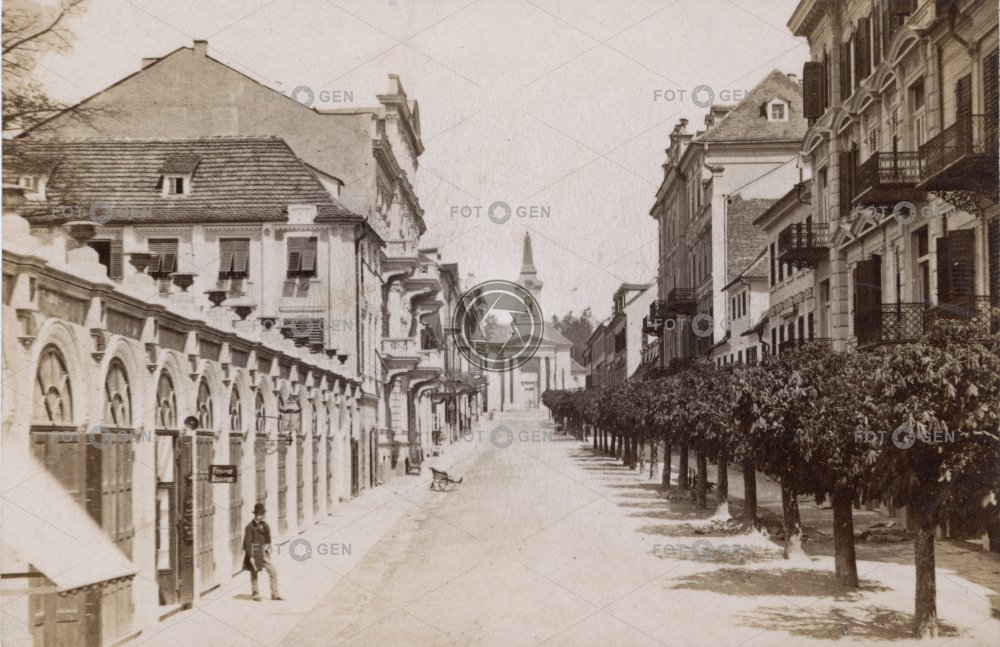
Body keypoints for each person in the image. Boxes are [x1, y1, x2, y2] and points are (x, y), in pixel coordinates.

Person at [242, 503, 283, 601]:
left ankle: (275, 594)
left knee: (273, 571)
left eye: (262, 514)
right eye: (259, 514)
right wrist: (251, 557)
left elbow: (268, 539)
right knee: (254, 572)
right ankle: (255, 594)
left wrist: (267, 549)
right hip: (254, 552)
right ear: (255, 514)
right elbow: (247, 543)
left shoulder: (265, 525)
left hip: (263, 553)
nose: (261, 516)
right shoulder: (250, 527)